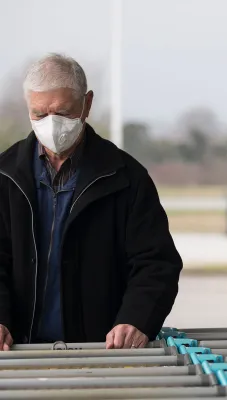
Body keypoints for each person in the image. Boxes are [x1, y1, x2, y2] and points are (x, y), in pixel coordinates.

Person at [0, 53, 183, 350]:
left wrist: (137, 319)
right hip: (19, 352)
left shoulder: (127, 178)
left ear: (87, 103)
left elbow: (155, 262)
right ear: (27, 107)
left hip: (102, 352)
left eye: (63, 112)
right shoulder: (4, 175)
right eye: (40, 114)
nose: (52, 125)